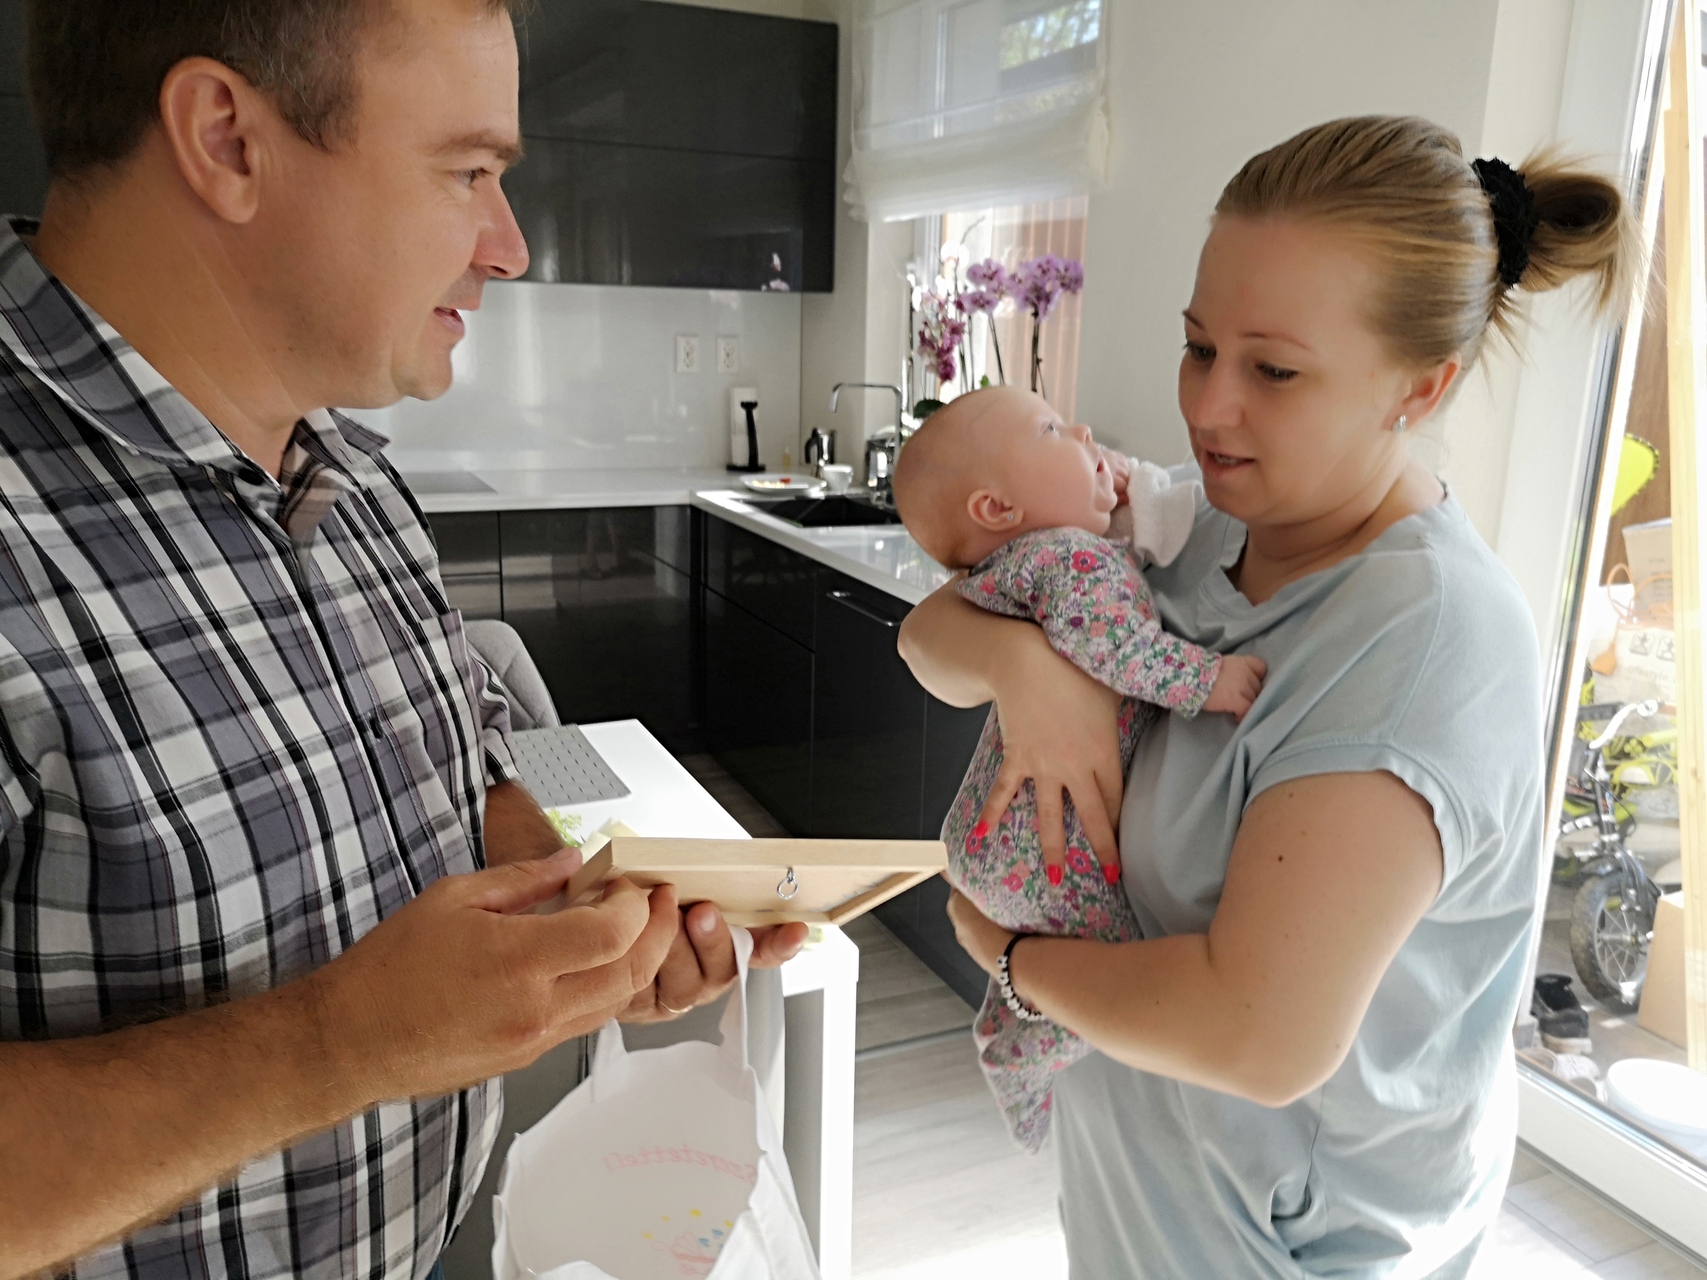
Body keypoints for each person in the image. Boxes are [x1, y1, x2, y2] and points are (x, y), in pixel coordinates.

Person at [0, 3, 806, 1278]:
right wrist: (336, 1042)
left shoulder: (356, 482)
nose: (510, 246)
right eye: (468, 171)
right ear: (228, 140)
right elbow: (358, 1028)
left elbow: (469, 771)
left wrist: (586, 906)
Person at [898, 116, 1634, 1277]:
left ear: (1420, 387)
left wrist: (1007, 959)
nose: (1208, 407)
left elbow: (1259, 1033)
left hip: (1280, 1247)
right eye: (1200, 347)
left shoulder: (1423, 638)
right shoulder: (1199, 524)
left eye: (1273, 370)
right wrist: (1022, 670)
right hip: (1146, 1195)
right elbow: (933, 628)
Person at [890, 384, 1264, 1150]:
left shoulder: (1030, 559)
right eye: (1053, 430)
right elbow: (1111, 647)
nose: (1086, 431)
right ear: (997, 508)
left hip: (1001, 838)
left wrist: (1105, 481)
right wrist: (1207, 680)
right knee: (1110, 967)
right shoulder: (1071, 559)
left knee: (1059, 959)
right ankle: (1017, 1061)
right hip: (1042, 847)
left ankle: (1005, 1020)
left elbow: (1146, 513)